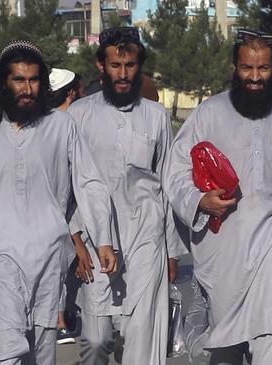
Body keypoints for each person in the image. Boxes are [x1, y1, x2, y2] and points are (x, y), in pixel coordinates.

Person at [164, 29, 272, 365]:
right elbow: (175, 172)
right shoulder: (209, 113)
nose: (255, 78)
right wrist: (200, 200)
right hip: (227, 255)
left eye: (263, 69)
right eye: (247, 68)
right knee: (226, 348)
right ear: (235, 66)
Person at [0, 40, 117, 365]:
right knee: (7, 339)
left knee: (41, 345)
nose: (27, 88)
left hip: (48, 253)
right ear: (3, 82)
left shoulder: (61, 126)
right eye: (19, 80)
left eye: (34, 80)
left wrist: (103, 238)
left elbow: (88, 183)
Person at [67, 26, 187, 365]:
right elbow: (70, 187)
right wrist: (76, 242)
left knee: (143, 340)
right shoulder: (79, 115)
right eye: (115, 65)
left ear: (140, 66)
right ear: (100, 66)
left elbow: (168, 183)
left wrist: (172, 251)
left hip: (147, 240)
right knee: (96, 340)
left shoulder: (157, 117)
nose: (123, 74)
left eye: (130, 65)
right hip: (93, 241)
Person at [49, 67, 84, 345]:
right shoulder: (68, 121)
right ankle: (60, 321)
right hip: (65, 205)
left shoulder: (48, 120)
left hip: (63, 204)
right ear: (71, 92)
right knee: (60, 266)